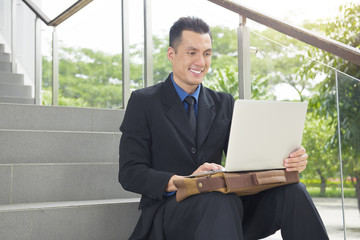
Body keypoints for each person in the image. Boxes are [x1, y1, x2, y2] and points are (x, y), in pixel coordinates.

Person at [119, 16, 329, 240]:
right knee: (219, 201)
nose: (201, 62)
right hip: (172, 211)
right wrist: (186, 181)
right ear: (172, 54)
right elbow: (130, 173)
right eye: (192, 52)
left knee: (293, 192)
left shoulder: (224, 102)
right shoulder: (143, 101)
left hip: (226, 207)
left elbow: (246, 160)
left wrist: (288, 160)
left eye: (207, 53)